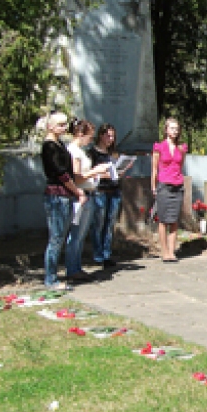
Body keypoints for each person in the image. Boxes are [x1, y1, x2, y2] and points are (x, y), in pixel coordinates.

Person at [41, 113, 89, 290]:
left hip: (64, 195)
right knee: (56, 238)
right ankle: (51, 279)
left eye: (64, 125)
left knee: (60, 236)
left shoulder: (59, 144)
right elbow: (62, 174)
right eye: (60, 125)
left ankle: (53, 276)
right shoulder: (50, 147)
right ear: (50, 127)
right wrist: (77, 191)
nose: (63, 128)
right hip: (57, 195)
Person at [65, 119, 110, 282]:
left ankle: (76, 267)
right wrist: (95, 171)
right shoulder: (74, 152)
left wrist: (98, 174)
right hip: (80, 195)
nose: (91, 140)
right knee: (76, 234)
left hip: (89, 192)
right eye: (89, 136)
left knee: (81, 234)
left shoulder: (80, 151)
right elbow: (76, 177)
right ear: (80, 134)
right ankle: (72, 268)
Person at [88, 123, 132, 268]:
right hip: (100, 191)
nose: (111, 139)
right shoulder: (93, 153)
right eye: (108, 135)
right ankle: (97, 254)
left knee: (109, 224)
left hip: (114, 191)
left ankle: (106, 254)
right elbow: (91, 173)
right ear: (100, 135)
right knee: (98, 224)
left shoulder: (113, 154)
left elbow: (117, 174)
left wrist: (123, 169)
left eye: (113, 136)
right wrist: (108, 174)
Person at [151, 118, 187, 263]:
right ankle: (164, 251)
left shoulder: (181, 148)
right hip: (164, 185)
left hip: (177, 186)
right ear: (166, 130)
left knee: (174, 220)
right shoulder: (159, 147)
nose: (174, 131)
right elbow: (154, 169)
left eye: (177, 128)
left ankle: (172, 251)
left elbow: (180, 166)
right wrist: (153, 187)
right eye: (172, 128)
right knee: (163, 219)